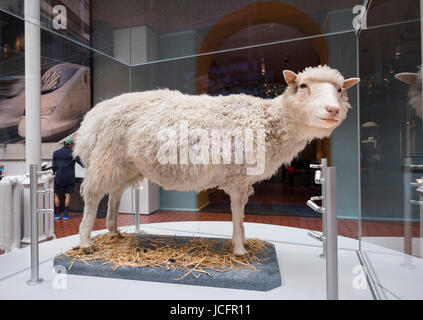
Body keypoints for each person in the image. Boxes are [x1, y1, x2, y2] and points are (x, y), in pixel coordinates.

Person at [52, 137, 83, 220]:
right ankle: (65, 214)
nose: (72, 146)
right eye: (72, 145)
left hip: (58, 178)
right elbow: (82, 164)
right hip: (69, 178)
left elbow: (53, 168)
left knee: (56, 195)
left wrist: (53, 174)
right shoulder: (73, 154)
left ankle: (57, 214)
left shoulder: (56, 153)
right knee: (67, 195)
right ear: (69, 144)